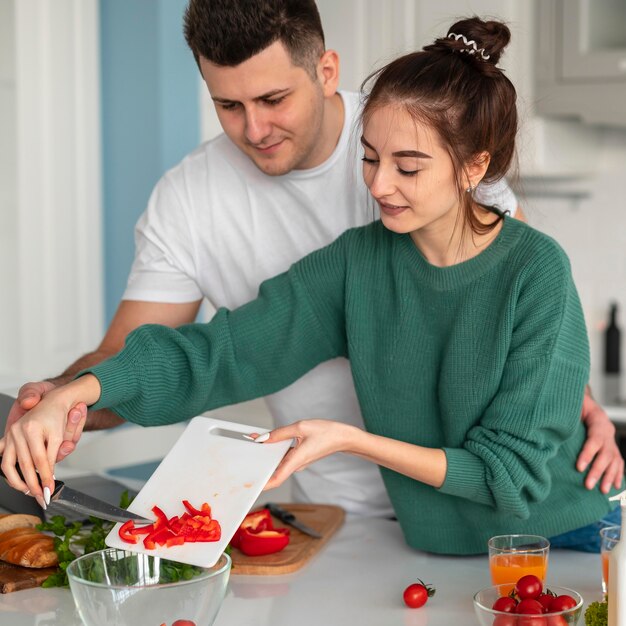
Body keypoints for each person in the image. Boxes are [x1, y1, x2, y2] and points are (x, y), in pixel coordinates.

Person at [1, 17, 621, 555]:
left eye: (407, 167)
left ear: (474, 168)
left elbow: (507, 475)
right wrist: (77, 388)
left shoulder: (535, 267)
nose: (377, 187)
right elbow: (221, 354)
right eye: (370, 158)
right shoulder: (357, 262)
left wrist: (351, 439)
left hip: (566, 535)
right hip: (428, 543)